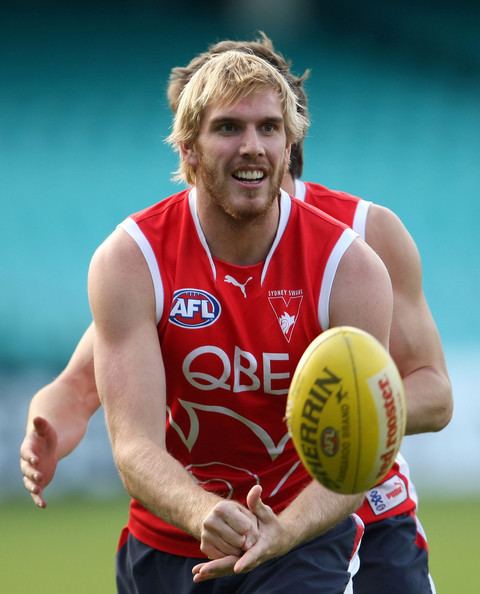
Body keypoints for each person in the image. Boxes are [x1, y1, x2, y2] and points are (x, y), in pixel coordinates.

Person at [20, 35, 452, 593]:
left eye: (267, 124)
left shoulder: (359, 244)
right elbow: (88, 384)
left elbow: (435, 393)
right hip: (180, 531)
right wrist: (48, 423)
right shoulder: (146, 258)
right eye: (228, 125)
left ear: (291, 132)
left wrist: (343, 413)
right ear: (190, 146)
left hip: (349, 509)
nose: (251, 144)